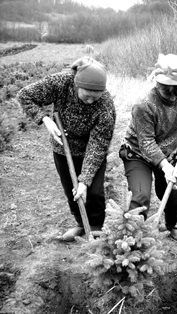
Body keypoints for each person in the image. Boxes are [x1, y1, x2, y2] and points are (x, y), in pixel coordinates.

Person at [17, 56, 116, 241]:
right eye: (86, 96)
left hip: (90, 150)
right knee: (71, 189)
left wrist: (84, 181)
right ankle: (80, 224)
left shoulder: (105, 106)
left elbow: (99, 143)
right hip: (62, 146)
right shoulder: (60, 83)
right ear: (77, 85)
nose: (90, 102)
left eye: (96, 97)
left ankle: (95, 226)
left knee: (93, 192)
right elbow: (25, 95)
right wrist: (44, 118)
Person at [119, 53, 177, 243]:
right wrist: (166, 168)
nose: (171, 96)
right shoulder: (143, 104)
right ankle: (133, 241)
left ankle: (170, 226)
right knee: (140, 197)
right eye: (165, 90)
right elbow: (146, 143)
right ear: (157, 83)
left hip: (170, 151)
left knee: (174, 195)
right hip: (138, 153)